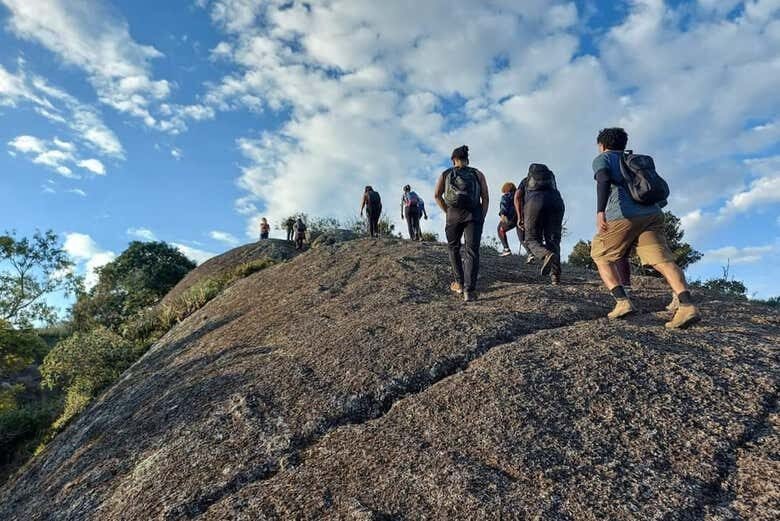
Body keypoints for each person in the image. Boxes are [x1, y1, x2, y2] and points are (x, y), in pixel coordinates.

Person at [590, 127, 700, 328]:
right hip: (652, 213)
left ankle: (622, 302)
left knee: (600, 255)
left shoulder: (603, 158)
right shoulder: (633, 160)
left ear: (602, 145)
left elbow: (603, 179)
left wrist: (600, 211)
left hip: (624, 214)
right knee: (662, 260)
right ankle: (686, 305)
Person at [434, 145, 489, 302]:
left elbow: (437, 195)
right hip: (473, 216)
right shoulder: (477, 174)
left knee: (453, 248)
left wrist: (447, 211)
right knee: (472, 251)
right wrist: (481, 216)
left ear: (453, 160)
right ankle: (469, 291)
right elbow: (485, 197)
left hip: (453, 216)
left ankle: (459, 283)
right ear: (467, 159)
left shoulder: (446, 174)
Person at [515, 164, 565, 285]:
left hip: (534, 203)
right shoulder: (551, 180)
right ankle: (555, 276)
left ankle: (545, 254)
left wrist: (519, 217)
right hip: (556, 203)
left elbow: (517, 196)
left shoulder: (525, 181)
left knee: (530, 239)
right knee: (553, 239)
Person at [497, 182, 523, 257]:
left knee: (500, 229)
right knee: (522, 238)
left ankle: (506, 249)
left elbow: (504, 205)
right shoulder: (520, 196)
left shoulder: (506, 196)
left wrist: (503, 214)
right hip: (520, 219)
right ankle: (531, 254)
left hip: (510, 218)